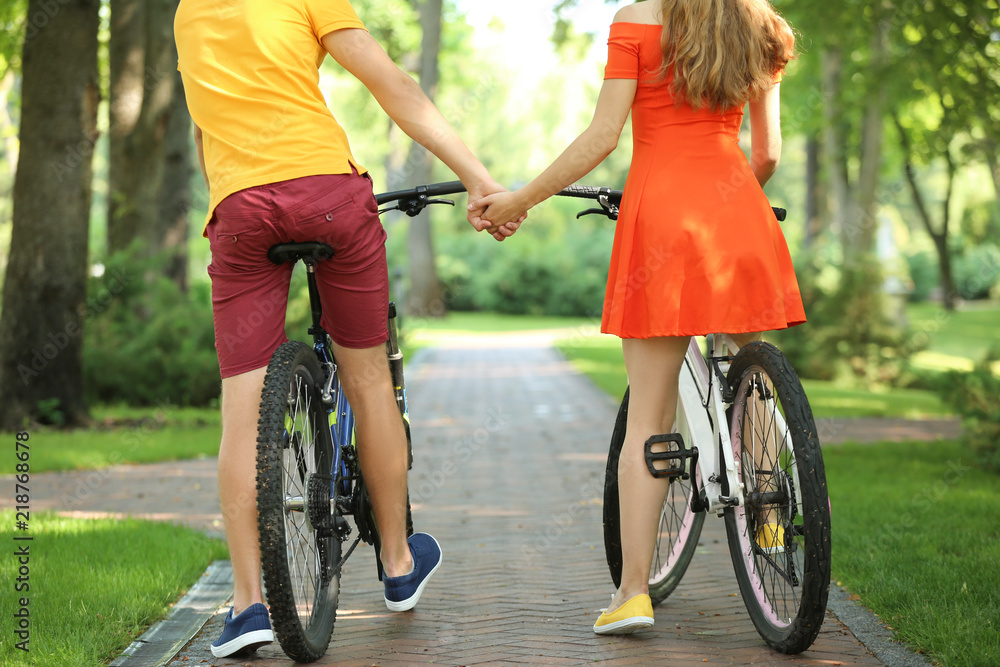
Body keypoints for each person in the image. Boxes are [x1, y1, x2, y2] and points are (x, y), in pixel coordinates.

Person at [174, 0, 519, 657]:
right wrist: (478, 177)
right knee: (367, 380)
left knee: (241, 411)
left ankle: (249, 604)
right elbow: (393, 83)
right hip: (328, 195)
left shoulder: (190, 12)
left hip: (241, 206)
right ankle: (396, 561)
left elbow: (204, 127)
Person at [470, 0, 804, 635]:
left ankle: (632, 594)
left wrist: (518, 199)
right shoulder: (762, 25)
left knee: (648, 418)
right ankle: (769, 515)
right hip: (738, 217)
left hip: (660, 222)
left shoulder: (635, 21)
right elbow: (766, 155)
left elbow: (603, 138)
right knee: (751, 376)